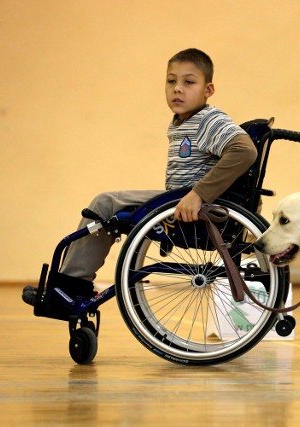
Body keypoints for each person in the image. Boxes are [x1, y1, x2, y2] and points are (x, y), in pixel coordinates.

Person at [22, 48, 257, 319]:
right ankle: (71, 286)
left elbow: (244, 151)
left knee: (105, 204)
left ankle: (69, 287)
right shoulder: (187, 121)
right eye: (171, 81)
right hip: (178, 200)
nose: (177, 89)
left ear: (208, 89)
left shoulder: (209, 120)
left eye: (189, 82)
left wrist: (198, 195)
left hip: (189, 205)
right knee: (107, 206)